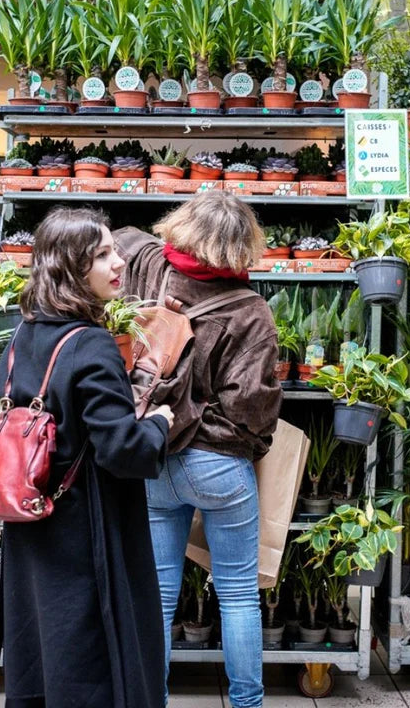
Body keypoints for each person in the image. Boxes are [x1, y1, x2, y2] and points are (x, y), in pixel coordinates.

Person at [0, 207, 174, 708]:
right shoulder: (91, 344)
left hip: (33, 525)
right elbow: (122, 450)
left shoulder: (20, 335)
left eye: (114, 249)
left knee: (45, 653)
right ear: (71, 267)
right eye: (101, 254)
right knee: (93, 660)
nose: (119, 262)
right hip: (86, 534)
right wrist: (157, 424)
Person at [115, 191, 283, 708]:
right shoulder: (251, 313)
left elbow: (119, 240)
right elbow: (252, 413)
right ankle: (247, 703)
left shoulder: (147, 267)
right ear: (241, 248)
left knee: (159, 597)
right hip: (218, 467)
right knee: (236, 596)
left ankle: (153, 701)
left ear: (183, 227)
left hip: (152, 453)